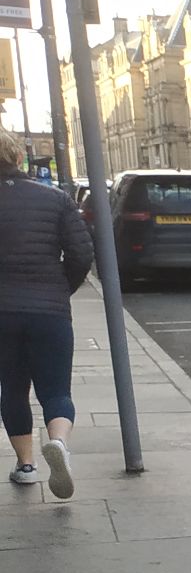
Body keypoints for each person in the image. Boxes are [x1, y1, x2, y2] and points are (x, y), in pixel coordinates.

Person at [0, 129, 94, 499]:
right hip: (49, 311)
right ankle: (59, 444)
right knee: (56, 390)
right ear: (17, 157)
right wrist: (60, 290)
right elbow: (82, 253)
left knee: (12, 389)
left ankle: (26, 467)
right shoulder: (55, 199)